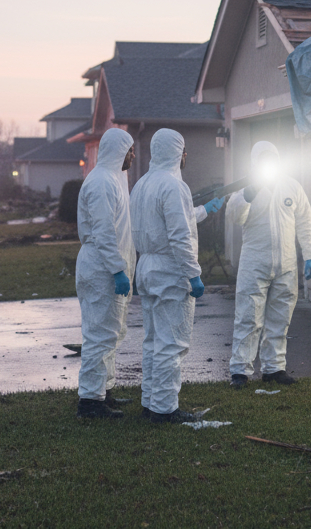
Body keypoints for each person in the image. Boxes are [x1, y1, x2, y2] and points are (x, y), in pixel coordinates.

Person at [129, 128, 206, 423]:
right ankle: (165, 410)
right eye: (184, 151)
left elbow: (164, 223)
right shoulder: (174, 186)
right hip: (170, 270)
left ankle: (151, 402)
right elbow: (179, 235)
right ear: (178, 153)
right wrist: (193, 274)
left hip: (146, 267)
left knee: (152, 340)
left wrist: (203, 211)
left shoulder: (143, 184)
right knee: (171, 343)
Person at [227, 141, 311, 388]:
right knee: (248, 317)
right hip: (255, 262)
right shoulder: (246, 187)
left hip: (286, 263)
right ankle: (240, 371)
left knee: (280, 317)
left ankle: (274, 368)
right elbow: (234, 217)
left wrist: (310, 254)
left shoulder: (292, 186)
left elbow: (305, 223)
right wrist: (247, 195)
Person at [74, 128, 137, 419]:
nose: (133, 156)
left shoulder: (115, 179)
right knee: (99, 334)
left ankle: (104, 391)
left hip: (108, 268)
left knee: (112, 332)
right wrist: (116, 270)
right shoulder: (100, 182)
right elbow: (103, 232)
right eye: (130, 151)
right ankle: (90, 401)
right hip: (100, 267)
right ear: (117, 151)